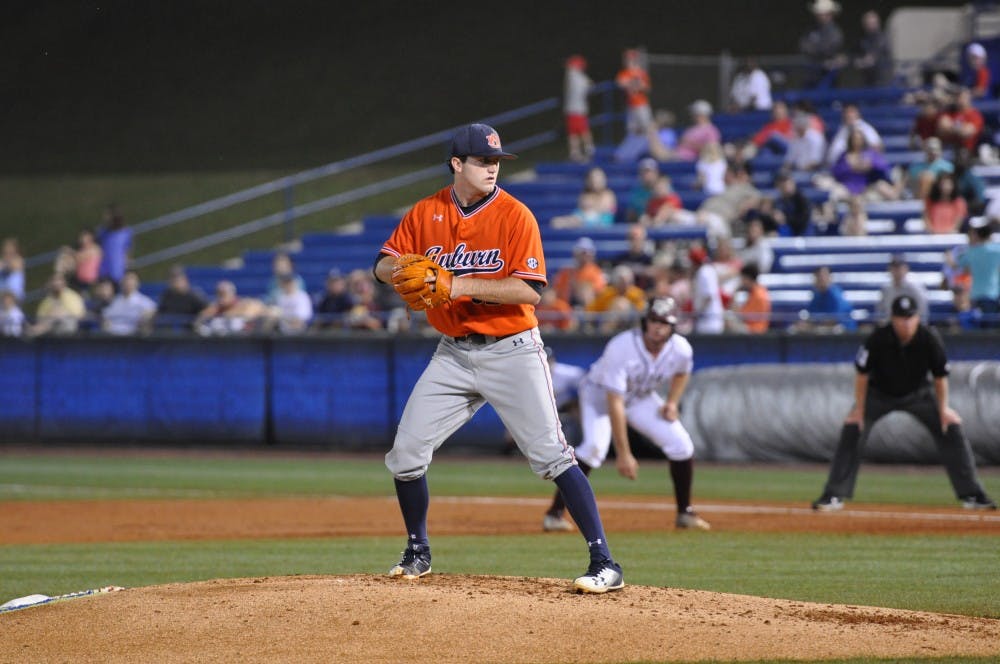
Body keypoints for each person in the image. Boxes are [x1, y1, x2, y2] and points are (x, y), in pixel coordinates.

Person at [373, 123, 624, 593]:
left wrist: (454, 283)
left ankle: (605, 562)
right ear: (456, 164)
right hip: (452, 353)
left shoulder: (515, 215)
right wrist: (403, 270)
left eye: (495, 162)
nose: (492, 168)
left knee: (552, 455)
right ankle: (417, 551)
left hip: (512, 350)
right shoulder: (425, 213)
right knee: (405, 454)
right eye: (483, 161)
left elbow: (529, 289)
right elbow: (382, 263)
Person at [812, 294, 996, 511]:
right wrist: (859, 410)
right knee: (853, 428)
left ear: (918, 318)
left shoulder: (929, 338)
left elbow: (940, 376)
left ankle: (973, 494)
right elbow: (862, 374)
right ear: (892, 319)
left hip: (919, 393)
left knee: (951, 427)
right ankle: (833, 495)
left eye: (909, 318)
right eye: (900, 318)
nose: (905, 323)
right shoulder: (878, 338)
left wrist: (944, 408)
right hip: (879, 394)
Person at [541, 297, 711, 532]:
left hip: (639, 397)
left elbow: (682, 372)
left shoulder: (680, 348)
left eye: (664, 322)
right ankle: (554, 514)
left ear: (673, 326)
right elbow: (615, 402)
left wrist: (672, 402)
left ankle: (685, 513)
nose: (658, 326)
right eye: (653, 320)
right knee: (593, 449)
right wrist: (624, 454)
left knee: (681, 444)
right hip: (598, 395)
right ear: (645, 322)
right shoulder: (623, 346)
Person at [950, 216, 1000, 327]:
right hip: (993, 297)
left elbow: (956, 264)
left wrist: (948, 258)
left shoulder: (969, 252)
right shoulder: (997, 250)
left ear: (976, 234)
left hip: (976, 297)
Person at [585, 264, 647, 334]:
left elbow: (641, 312)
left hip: (630, 325)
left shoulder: (637, 294)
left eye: (626, 281)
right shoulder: (606, 294)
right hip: (609, 324)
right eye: (621, 281)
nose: (624, 284)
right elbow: (591, 310)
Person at [195, 280, 271, 336]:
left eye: (224, 294)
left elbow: (258, 308)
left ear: (232, 294)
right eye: (219, 294)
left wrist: (233, 314)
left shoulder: (244, 304)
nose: (221, 297)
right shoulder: (214, 308)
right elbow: (199, 320)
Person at [549, 166, 617, 229]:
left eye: (599, 177)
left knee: (582, 218)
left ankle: (566, 221)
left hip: (600, 222)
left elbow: (602, 211)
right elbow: (582, 210)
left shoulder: (609, 195)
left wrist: (591, 211)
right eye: (593, 178)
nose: (596, 181)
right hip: (583, 220)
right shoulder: (584, 196)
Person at [798, 0, 845, 88]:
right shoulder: (811, 29)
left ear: (830, 15)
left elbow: (829, 49)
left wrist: (814, 50)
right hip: (812, 73)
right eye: (818, 13)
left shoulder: (835, 32)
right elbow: (803, 46)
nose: (819, 16)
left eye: (822, 13)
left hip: (828, 74)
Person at [795, 265, 856, 332]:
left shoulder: (835, 295)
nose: (822, 279)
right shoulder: (817, 295)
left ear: (830, 278)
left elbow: (834, 320)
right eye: (818, 277)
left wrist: (812, 326)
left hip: (844, 333)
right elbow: (811, 316)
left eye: (824, 276)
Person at [552, 236, 606, 309]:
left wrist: (581, 288)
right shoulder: (566, 272)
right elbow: (558, 291)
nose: (585, 256)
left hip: (590, 307)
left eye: (588, 253)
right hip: (568, 307)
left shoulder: (596, 271)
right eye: (583, 253)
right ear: (576, 254)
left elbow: (599, 290)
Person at [825, 103, 884, 168]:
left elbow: (877, 147)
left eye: (852, 112)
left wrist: (862, 160)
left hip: (858, 166)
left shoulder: (865, 128)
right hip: (839, 166)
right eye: (846, 112)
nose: (849, 115)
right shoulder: (842, 129)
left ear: (858, 113)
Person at [101, 269, 157, 335]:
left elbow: (152, 314)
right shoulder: (113, 301)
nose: (128, 282)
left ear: (137, 283)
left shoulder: (146, 302)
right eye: (126, 279)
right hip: (112, 338)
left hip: (133, 339)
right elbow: (105, 317)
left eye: (131, 279)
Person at [876, 255, 929, 323]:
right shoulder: (886, 289)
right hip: (891, 326)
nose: (897, 271)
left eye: (900, 268)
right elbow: (880, 310)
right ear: (889, 269)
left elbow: (922, 310)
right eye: (894, 268)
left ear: (906, 269)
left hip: (910, 326)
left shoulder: (915, 288)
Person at [155, 265, 208, 331]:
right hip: (169, 331)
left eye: (177, 279)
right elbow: (159, 311)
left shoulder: (194, 295)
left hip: (191, 331)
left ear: (185, 280)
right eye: (172, 279)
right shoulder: (167, 295)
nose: (175, 282)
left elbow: (208, 309)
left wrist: (199, 319)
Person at [563, 54, 595, 163]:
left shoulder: (575, 76)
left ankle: (586, 151)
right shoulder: (579, 77)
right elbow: (591, 85)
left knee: (581, 132)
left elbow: (589, 85)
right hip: (576, 109)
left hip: (577, 109)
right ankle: (579, 152)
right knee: (575, 133)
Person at [688, 243, 724, 334]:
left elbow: (708, 296)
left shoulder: (704, 272)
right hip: (709, 320)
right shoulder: (707, 270)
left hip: (709, 321)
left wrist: (698, 313)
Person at [725, 263, 771, 333]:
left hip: (755, 329)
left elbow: (743, 315)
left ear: (748, 279)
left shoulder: (758, 295)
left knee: (728, 323)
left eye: (743, 279)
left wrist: (735, 294)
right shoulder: (757, 290)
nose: (742, 281)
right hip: (750, 325)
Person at [616, 48, 652, 138]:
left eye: (630, 58)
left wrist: (637, 84)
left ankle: (650, 148)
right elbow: (620, 83)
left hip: (641, 103)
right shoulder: (624, 73)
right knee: (632, 129)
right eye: (627, 58)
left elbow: (647, 88)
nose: (628, 60)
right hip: (630, 104)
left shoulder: (641, 73)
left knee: (647, 126)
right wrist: (634, 82)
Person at [936, 88, 984, 154]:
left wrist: (951, 127)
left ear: (969, 98)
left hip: (967, 150)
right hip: (947, 149)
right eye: (958, 97)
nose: (960, 100)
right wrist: (960, 128)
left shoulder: (975, 115)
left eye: (963, 97)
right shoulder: (949, 112)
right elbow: (942, 128)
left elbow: (966, 133)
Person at [96, 203, 133, 288]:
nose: (105, 217)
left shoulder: (125, 232)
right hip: (103, 270)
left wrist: (128, 269)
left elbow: (127, 252)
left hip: (118, 271)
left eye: (107, 215)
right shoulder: (102, 232)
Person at [853, 10, 893, 86]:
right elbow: (855, 56)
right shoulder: (863, 40)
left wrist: (864, 61)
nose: (871, 26)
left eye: (873, 23)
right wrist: (858, 60)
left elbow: (872, 57)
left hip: (883, 80)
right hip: (868, 81)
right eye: (868, 24)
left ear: (878, 23)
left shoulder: (883, 38)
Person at [72, 228, 103, 293]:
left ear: (90, 237)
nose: (81, 238)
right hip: (79, 282)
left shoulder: (94, 248)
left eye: (83, 236)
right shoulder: (81, 249)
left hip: (91, 283)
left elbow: (78, 258)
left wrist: (69, 252)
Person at [0, 237, 25, 302]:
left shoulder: (18, 261)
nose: (7, 255)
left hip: (14, 298)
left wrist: (3, 265)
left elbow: (11, 267)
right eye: (5, 252)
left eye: (10, 252)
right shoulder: (2, 262)